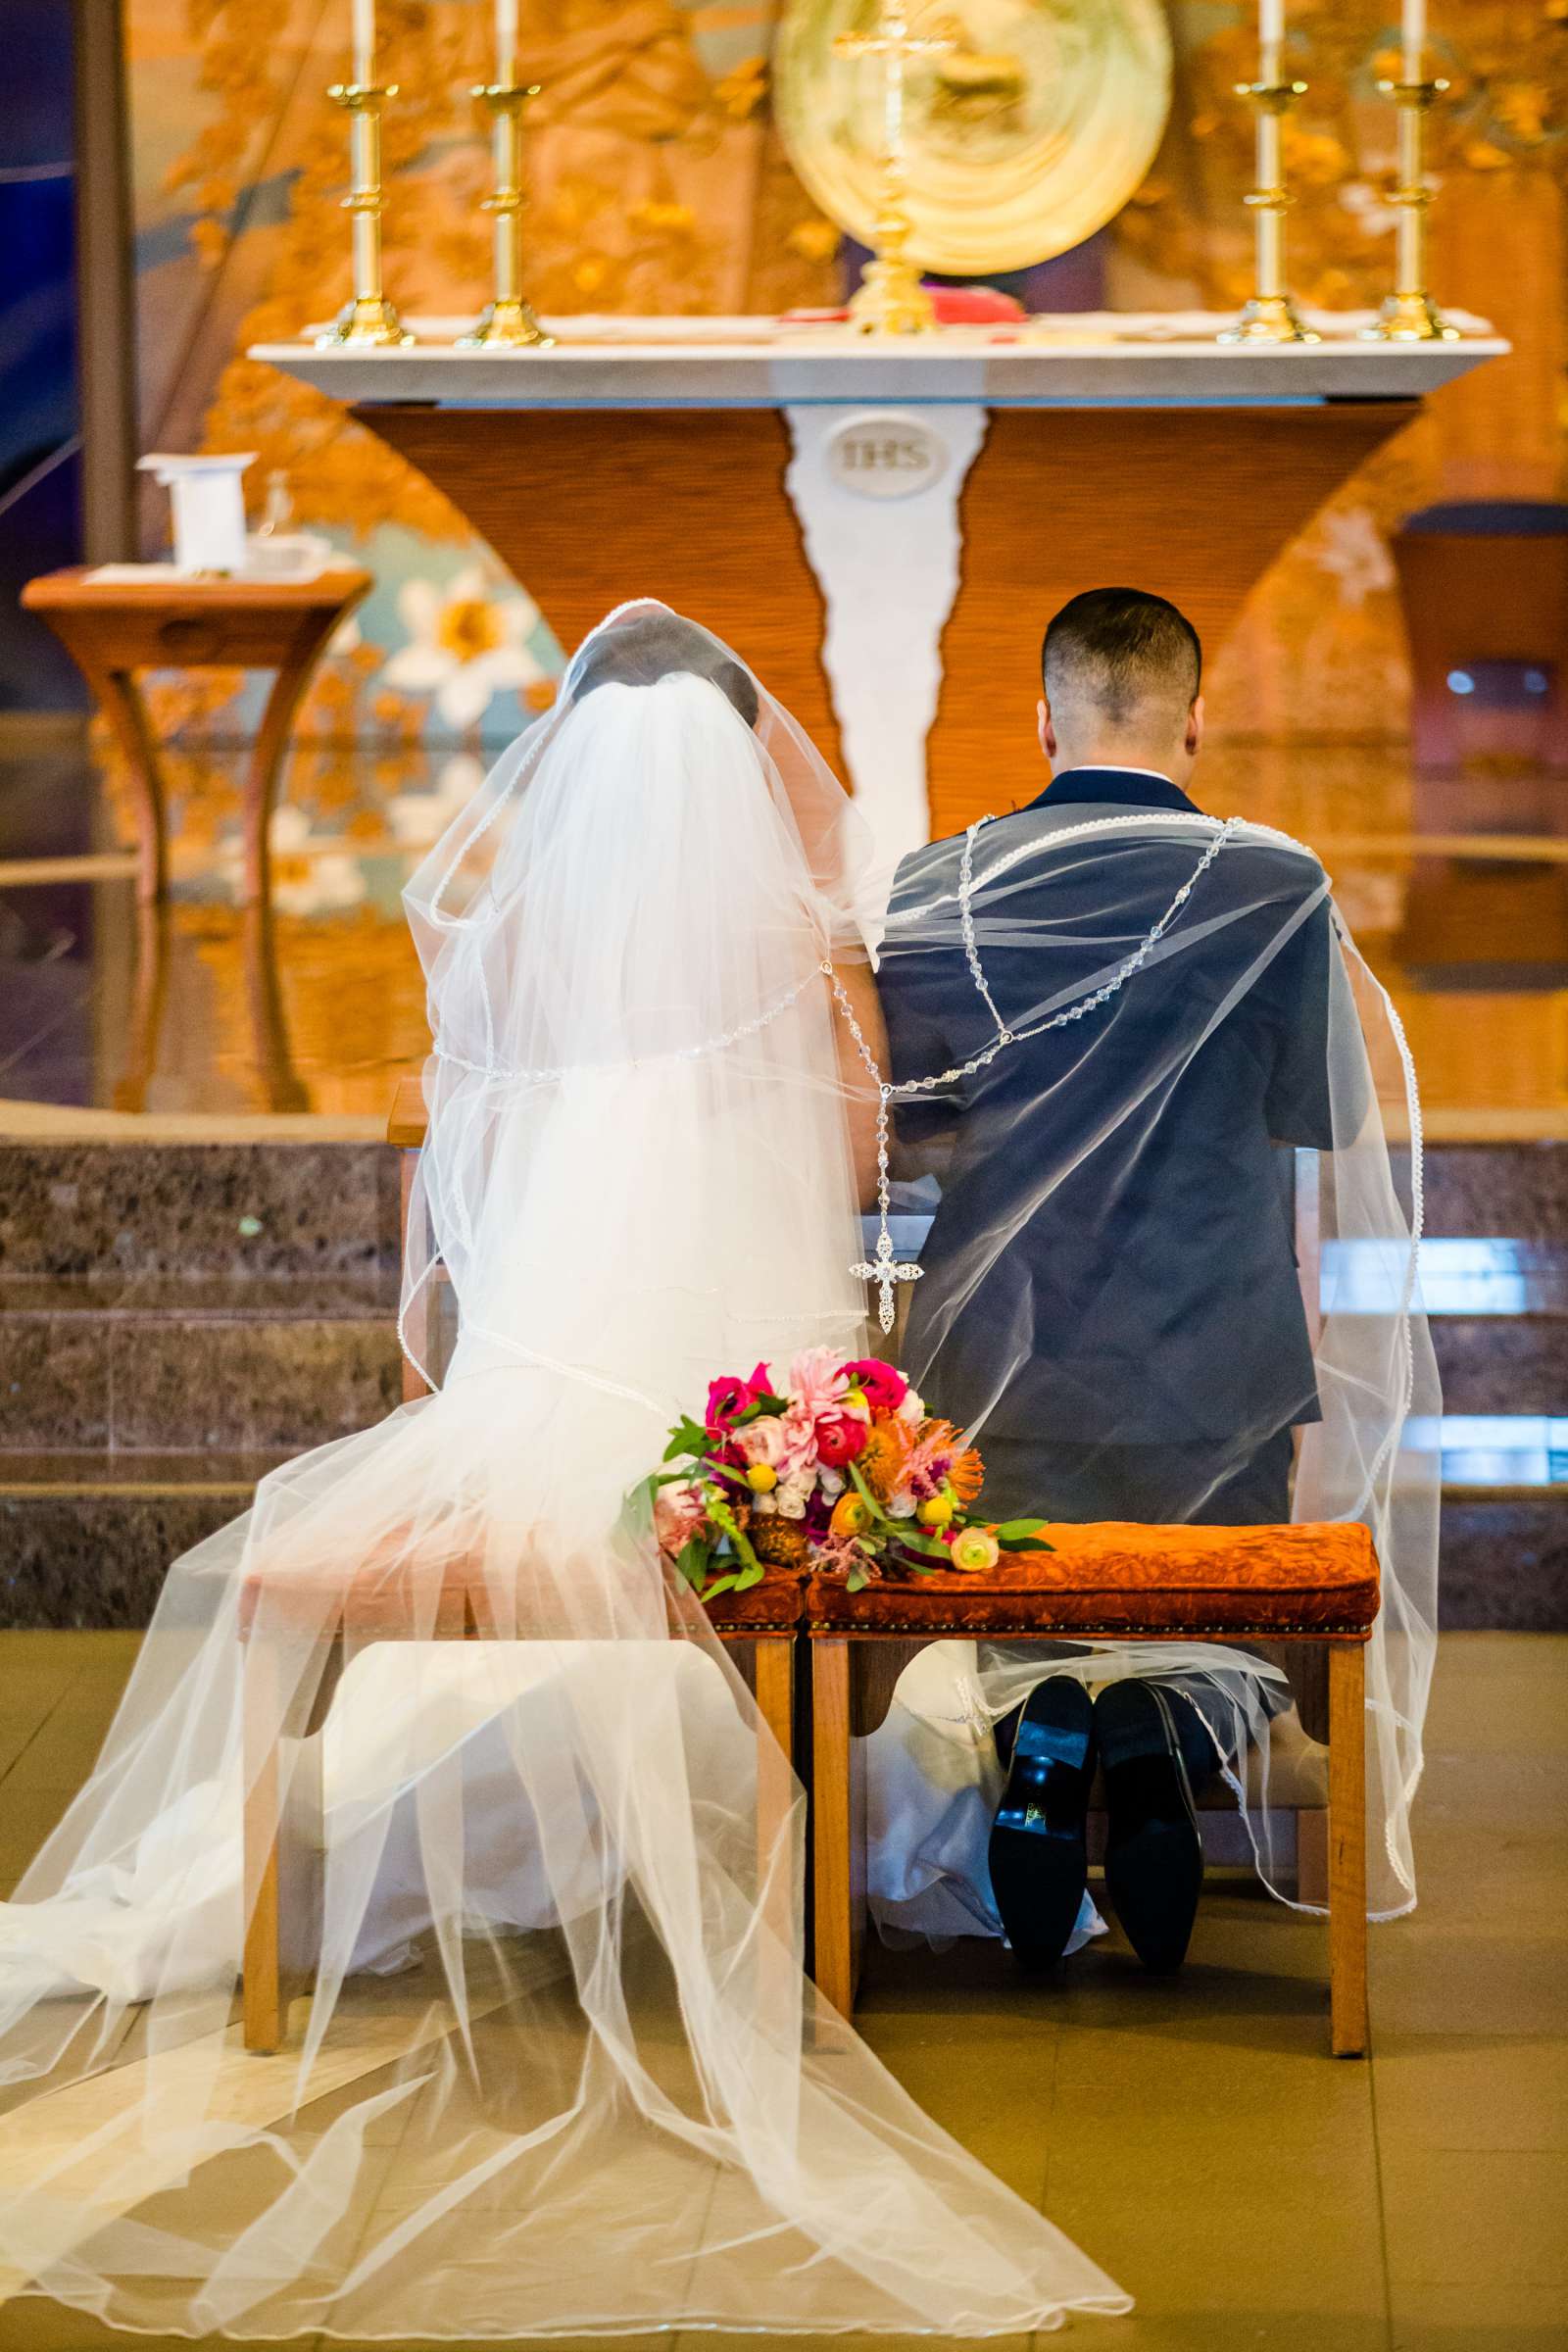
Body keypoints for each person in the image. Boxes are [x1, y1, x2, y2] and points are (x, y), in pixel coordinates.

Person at [0, 604, 1127, 2341]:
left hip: (534, 1400)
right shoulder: (799, 958)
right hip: (732, 1424)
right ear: (740, 780)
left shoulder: (510, 947)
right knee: (855, 1504)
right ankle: (839, 1854)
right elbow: (850, 1165)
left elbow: (449, 1185)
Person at [868, 586, 1440, 1974]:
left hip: (994, 1359)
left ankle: (1048, 1729)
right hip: (1211, 1362)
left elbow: (912, 1124)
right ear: (1196, 717)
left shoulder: (935, 882)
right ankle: (1157, 1743)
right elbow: (1319, 1118)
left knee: (999, 1616)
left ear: (1043, 719)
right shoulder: (1275, 883)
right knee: (1219, 1617)